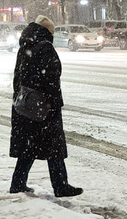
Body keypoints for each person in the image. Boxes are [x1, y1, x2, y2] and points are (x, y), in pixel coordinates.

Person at [9, 15, 82, 197]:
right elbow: (52, 80)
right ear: (47, 32)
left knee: (28, 148)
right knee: (54, 148)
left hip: (26, 105)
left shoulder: (24, 46)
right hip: (44, 107)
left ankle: (17, 184)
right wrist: (53, 104)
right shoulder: (46, 47)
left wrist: (21, 98)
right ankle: (60, 185)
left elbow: (18, 77)